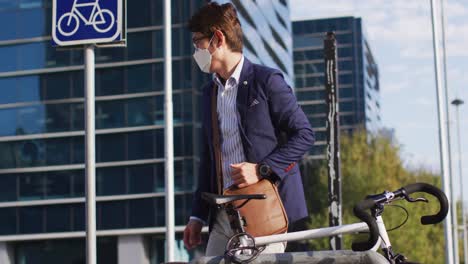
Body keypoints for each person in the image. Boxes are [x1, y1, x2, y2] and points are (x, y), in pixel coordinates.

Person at [183, 2, 315, 256]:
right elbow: (208, 161)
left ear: (217, 39)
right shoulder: (209, 93)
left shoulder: (266, 81)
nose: (195, 50)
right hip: (223, 215)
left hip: (266, 210)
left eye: (197, 42)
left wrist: (262, 169)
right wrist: (197, 215)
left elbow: (305, 135)